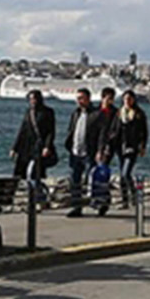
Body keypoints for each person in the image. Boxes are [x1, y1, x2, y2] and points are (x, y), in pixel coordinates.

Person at [10, 90, 57, 203]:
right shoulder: (28, 112)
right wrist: (14, 148)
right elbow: (22, 131)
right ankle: (34, 196)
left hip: (39, 147)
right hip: (26, 147)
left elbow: (51, 131)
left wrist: (47, 146)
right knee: (21, 174)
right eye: (30, 99)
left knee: (33, 172)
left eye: (34, 99)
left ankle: (38, 198)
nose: (32, 101)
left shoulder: (48, 112)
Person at [105, 89, 147, 209]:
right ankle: (125, 200)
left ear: (133, 100)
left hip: (132, 147)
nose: (127, 101)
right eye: (125, 99)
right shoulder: (119, 113)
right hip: (120, 146)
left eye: (130, 99)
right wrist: (109, 144)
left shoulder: (139, 114)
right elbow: (113, 129)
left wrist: (142, 146)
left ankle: (135, 196)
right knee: (122, 174)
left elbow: (143, 132)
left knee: (125, 173)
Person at [64, 88, 102, 218]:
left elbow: (101, 134)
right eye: (77, 98)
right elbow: (72, 130)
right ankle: (77, 207)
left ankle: (99, 203)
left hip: (89, 152)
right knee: (75, 180)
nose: (79, 101)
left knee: (93, 180)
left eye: (81, 98)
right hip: (75, 152)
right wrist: (69, 145)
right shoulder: (75, 113)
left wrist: (100, 150)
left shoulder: (96, 114)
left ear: (88, 99)